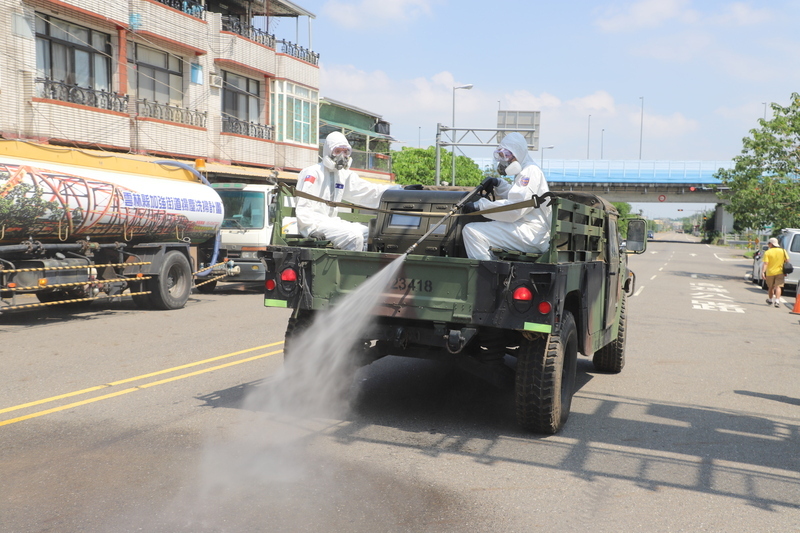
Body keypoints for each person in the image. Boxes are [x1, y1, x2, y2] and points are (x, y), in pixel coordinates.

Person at [296, 132, 421, 251]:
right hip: (317, 224)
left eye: (345, 151)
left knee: (372, 234)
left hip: (331, 222)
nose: (342, 156)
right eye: (337, 151)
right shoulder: (312, 173)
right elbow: (303, 204)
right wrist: (310, 229)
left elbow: (369, 191)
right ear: (328, 151)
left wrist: (400, 190)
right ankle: (352, 266)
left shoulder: (343, 175)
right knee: (354, 237)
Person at [460, 132, 552, 260]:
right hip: (530, 231)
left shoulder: (530, 171)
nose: (504, 160)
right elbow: (517, 196)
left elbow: (516, 208)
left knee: (471, 231)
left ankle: (486, 271)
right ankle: (493, 266)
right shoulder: (526, 170)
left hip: (530, 233)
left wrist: (479, 206)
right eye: (501, 156)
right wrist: (499, 184)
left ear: (517, 153)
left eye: (507, 155)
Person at [762, 237, 787, 307]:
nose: (768, 245)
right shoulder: (783, 251)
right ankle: (777, 301)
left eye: (768, 243)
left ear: (771, 244)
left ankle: (770, 300)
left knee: (771, 287)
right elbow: (787, 260)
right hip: (780, 272)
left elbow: (766, 263)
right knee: (778, 287)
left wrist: (763, 272)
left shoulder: (768, 252)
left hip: (770, 273)